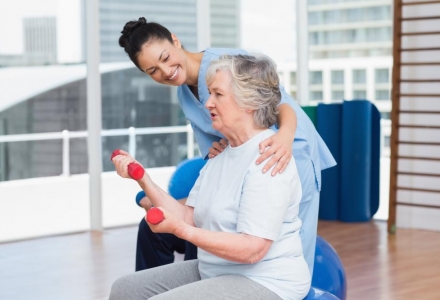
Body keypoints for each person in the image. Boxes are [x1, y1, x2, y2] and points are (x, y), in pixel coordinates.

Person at [118, 17, 336, 276]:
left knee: (290, 249)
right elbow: (214, 157)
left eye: (165, 57)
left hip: (287, 151)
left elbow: (280, 104)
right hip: (248, 167)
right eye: (152, 70)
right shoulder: (184, 95)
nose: (164, 71)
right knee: (204, 231)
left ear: (175, 40)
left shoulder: (226, 64)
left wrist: (286, 136)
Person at [110, 54, 311, 300]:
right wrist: (142, 178)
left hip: (267, 280)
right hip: (215, 269)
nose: (208, 103)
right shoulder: (221, 154)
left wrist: (180, 230)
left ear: (247, 102)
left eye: (218, 94)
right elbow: (188, 216)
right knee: (125, 290)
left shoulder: (267, 157)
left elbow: (252, 250)